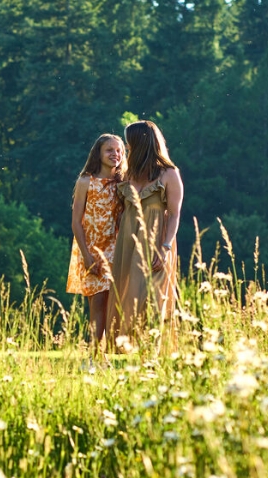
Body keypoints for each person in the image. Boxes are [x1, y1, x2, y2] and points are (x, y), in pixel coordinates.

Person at [107, 120, 183, 343]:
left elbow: (175, 214)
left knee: (154, 296)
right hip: (128, 240)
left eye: (129, 143)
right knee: (128, 293)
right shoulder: (128, 174)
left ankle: (152, 352)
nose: (126, 148)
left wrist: (166, 247)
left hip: (157, 240)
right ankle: (129, 345)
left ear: (140, 143)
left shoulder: (169, 174)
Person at [67, 134, 125, 353]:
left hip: (116, 248)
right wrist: (86, 255)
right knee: (97, 302)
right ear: (98, 154)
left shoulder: (123, 182)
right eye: (109, 150)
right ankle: (93, 354)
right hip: (91, 248)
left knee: (115, 302)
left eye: (119, 150)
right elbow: (76, 221)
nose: (115, 154)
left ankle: (112, 352)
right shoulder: (86, 181)